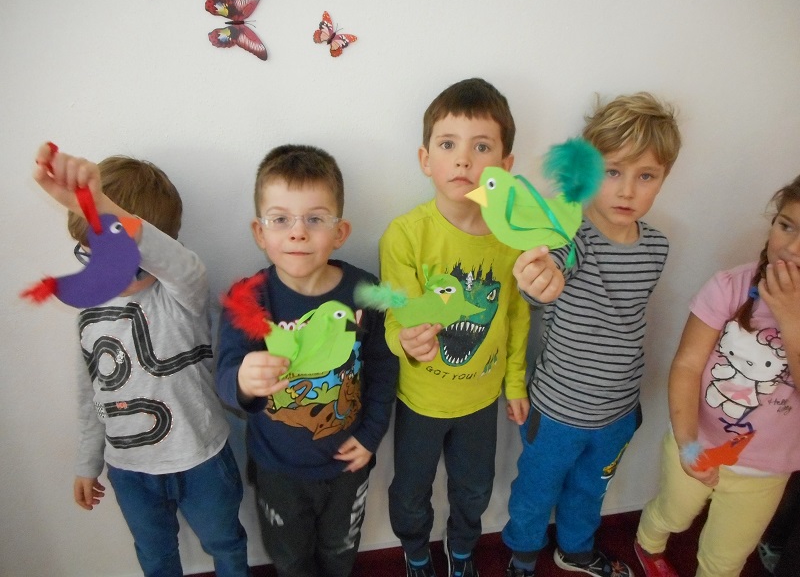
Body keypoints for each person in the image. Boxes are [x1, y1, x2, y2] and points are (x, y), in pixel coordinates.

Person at [30, 144, 250, 577]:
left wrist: (106, 209)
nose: (110, 277)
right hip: (130, 472)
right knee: (155, 555)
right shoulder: (88, 312)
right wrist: (88, 461)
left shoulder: (182, 295)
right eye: (92, 259)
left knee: (225, 542)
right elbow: (90, 395)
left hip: (201, 460)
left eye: (125, 264)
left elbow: (183, 267)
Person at [502, 93, 682, 577]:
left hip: (618, 412)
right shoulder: (569, 238)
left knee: (590, 491)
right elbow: (545, 280)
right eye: (612, 171)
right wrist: (538, 280)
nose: (627, 190)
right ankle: (522, 557)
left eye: (646, 176)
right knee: (536, 490)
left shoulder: (657, 247)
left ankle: (576, 549)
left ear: (664, 177)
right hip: (558, 412)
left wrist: (627, 409)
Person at [216, 144, 398, 577]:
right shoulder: (249, 298)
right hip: (277, 468)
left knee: (340, 552)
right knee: (290, 559)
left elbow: (384, 368)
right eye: (280, 219)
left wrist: (371, 435)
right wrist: (242, 380)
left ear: (340, 232)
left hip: (348, 462)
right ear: (260, 233)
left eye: (315, 219)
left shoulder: (365, 291)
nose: (298, 233)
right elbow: (224, 375)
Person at [380, 77, 531, 577]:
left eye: (481, 147)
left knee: (475, 489)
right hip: (421, 400)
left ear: (505, 165)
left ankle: (462, 551)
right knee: (410, 490)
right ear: (426, 159)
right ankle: (416, 553)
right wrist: (405, 339)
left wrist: (515, 382)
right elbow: (396, 316)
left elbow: (516, 314)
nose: (463, 160)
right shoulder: (405, 235)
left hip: (481, 400)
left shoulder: (514, 238)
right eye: (448, 145)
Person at [634, 175, 800, 577]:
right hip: (698, 441)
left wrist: (790, 319)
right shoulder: (730, 286)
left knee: (725, 559)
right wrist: (688, 446)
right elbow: (687, 365)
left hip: (766, 469)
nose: (792, 248)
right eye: (786, 225)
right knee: (673, 514)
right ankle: (648, 543)